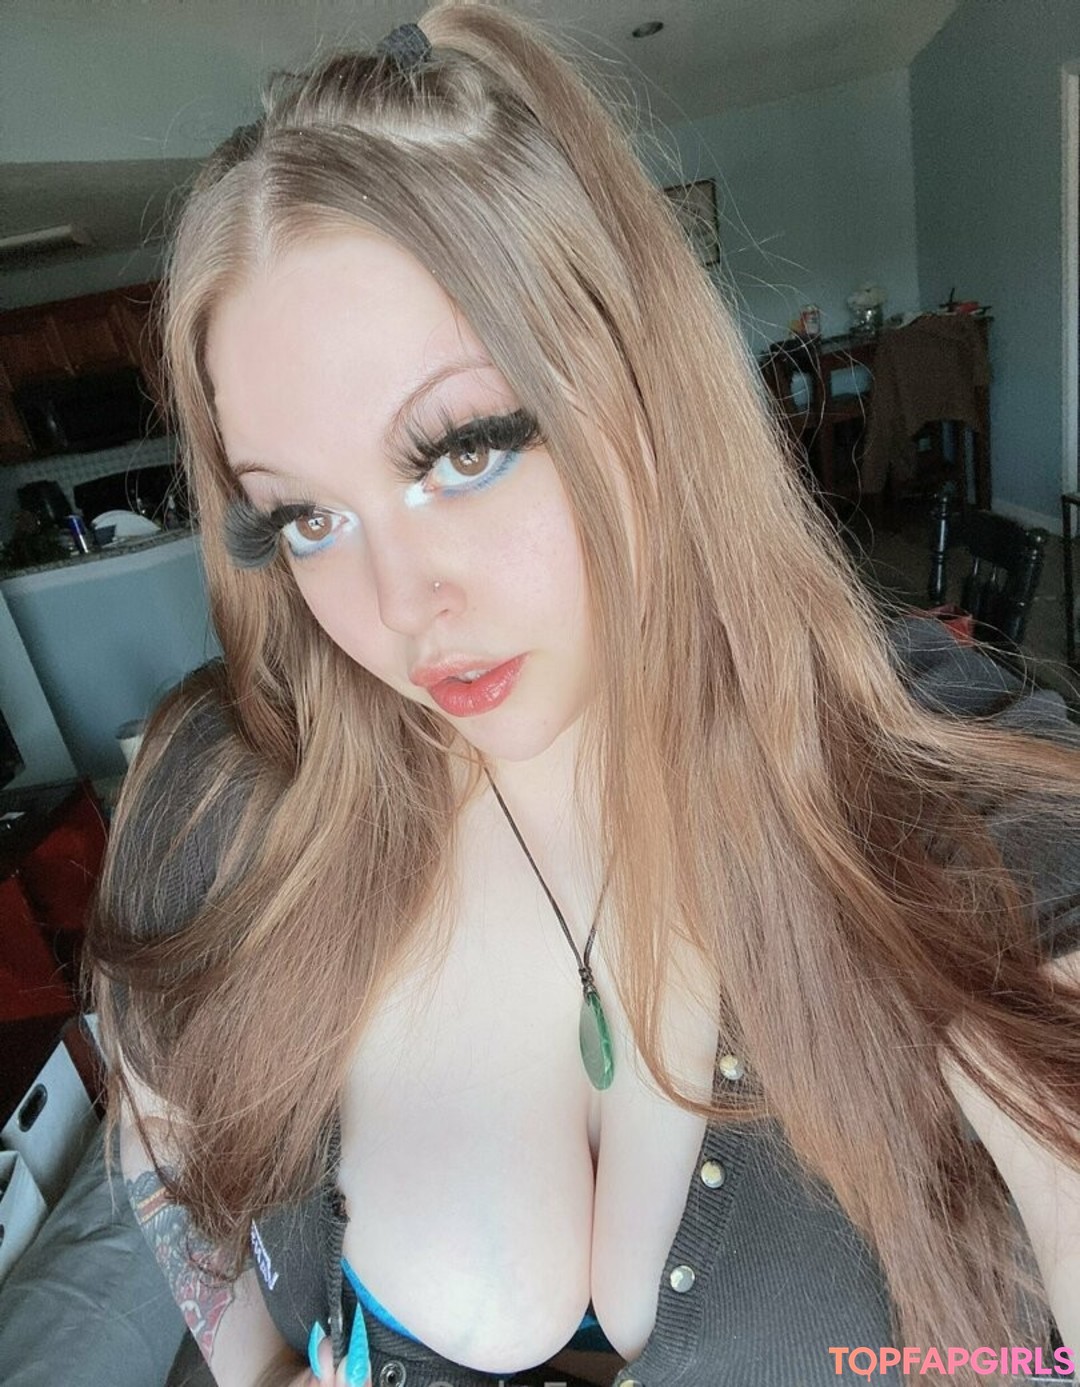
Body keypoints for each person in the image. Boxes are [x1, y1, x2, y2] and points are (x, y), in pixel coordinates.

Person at [86, 5, 1080, 1386]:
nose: (400, 605)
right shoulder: (232, 785)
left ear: (638, 388)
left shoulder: (946, 797)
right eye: (307, 517)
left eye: (464, 452)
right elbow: (157, 1119)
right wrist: (256, 1371)